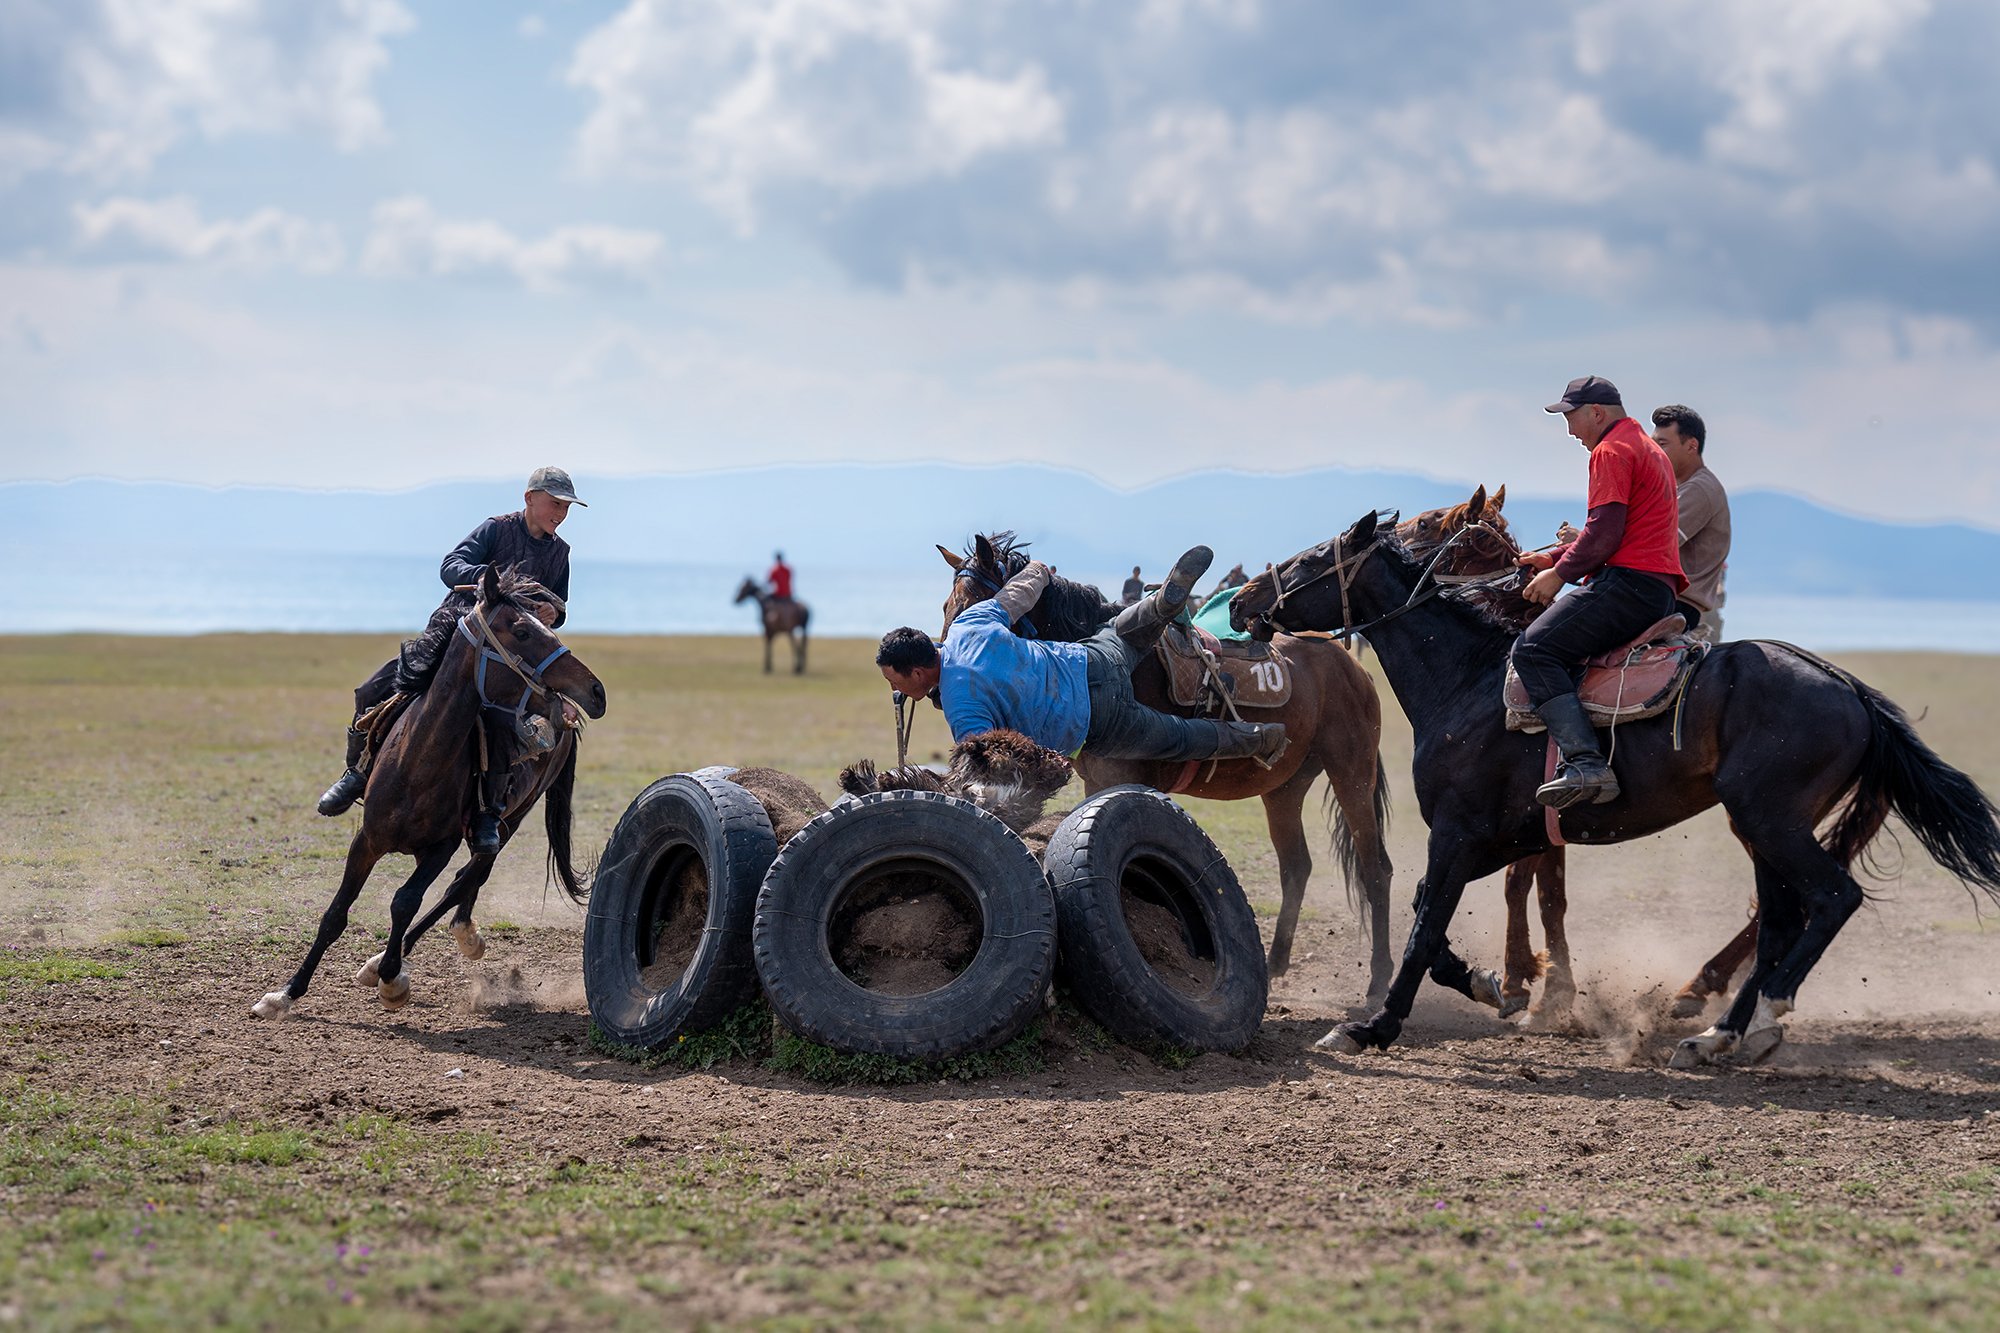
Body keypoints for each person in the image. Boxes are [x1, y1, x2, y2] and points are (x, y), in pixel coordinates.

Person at [315, 467, 584, 853]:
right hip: (455, 636)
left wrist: (551, 613)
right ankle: (356, 774)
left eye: (566, 507)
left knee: (503, 726)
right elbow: (451, 566)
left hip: (508, 658)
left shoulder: (561, 553)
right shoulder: (495, 529)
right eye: (554, 503)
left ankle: (489, 812)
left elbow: (559, 605)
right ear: (529, 498)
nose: (560, 512)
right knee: (371, 690)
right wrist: (488, 580)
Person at [877, 546, 1287, 765]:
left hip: (1097, 723)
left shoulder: (962, 708)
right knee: (1123, 628)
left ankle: (1257, 738)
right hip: (1089, 661)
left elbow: (986, 766)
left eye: (894, 681)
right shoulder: (970, 623)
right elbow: (1027, 585)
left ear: (917, 672)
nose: (895, 690)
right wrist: (1037, 567)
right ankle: (1161, 604)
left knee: (1178, 738)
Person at [1511, 377, 1686, 809]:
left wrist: (1558, 574)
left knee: (1532, 650)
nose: (1571, 431)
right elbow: (1614, 533)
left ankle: (1585, 762)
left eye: (1571, 418)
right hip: (1656, 587)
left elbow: (1604, 534)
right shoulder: (1648, 449)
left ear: (1596, 412)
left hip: (1629, 586)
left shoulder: (1610, 451)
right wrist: (1553, 557)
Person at [1652, 404, 1730, 638]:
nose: (1655, 452)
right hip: (1669, 601)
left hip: (1675, 605)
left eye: (1663, 444)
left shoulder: (1699, 489)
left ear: (1691, 446)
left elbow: (1655, 545)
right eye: (1653, 444)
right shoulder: (1684, 488)